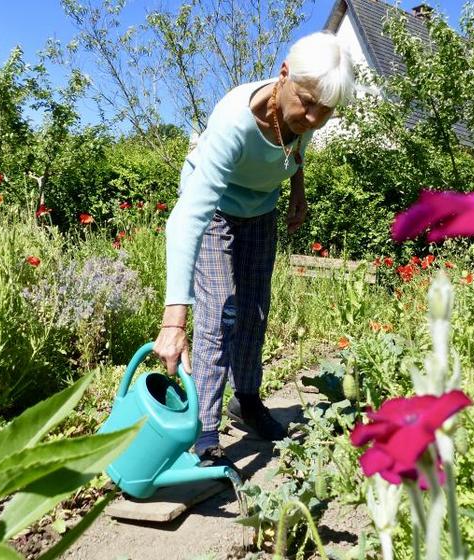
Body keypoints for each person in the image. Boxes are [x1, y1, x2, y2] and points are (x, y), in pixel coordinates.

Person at [153, 31, 355, 469]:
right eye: (307, 102)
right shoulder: (234, 121)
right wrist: (173, 320)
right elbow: (186, 219)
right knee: (220, 309)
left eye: (327, 110)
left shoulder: (304, 113)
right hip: (216, 212)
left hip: (260, 210)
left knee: (255, 309)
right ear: (284, 75)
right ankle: (203, 431)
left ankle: (245, 400)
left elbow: (297, 145)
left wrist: (297, 188)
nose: (316, 117)